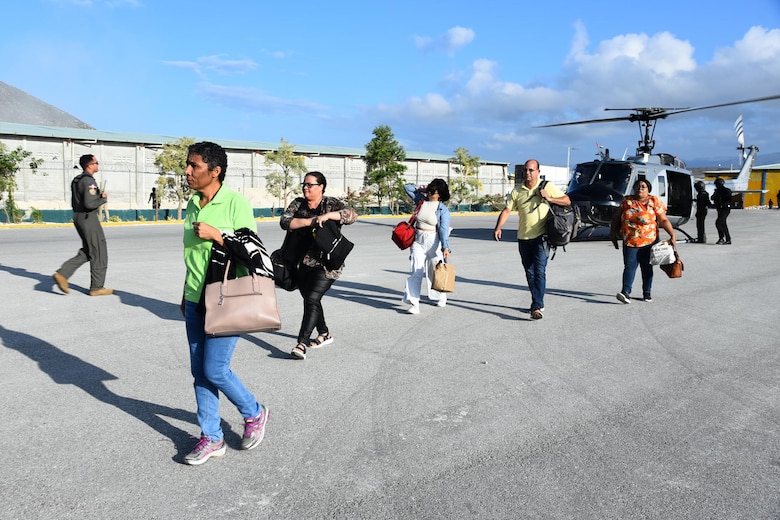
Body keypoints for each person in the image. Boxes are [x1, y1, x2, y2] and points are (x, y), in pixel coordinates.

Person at [181, 141, 269, 465]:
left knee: (215, 369)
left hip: (226, 299)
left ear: (215, 171)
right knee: (200, 372)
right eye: (188, 164)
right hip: (195, 299)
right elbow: (194, 258)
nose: (187, 171)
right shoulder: (193, 203)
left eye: (194, 166)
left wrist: (218, 235)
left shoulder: (235, 203)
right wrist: (185, 294)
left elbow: (255, 253)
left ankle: (254, 412)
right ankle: (212, 437)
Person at [280, 171, 357, 360]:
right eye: (304, 184)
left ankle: (301, 343)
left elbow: (351, 215)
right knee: (311, 300)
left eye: (310, 184)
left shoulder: (331, 204)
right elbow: (285, 221)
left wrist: (329, 215)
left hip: (327, 263)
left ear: (321, 187)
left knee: (312, 298)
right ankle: (324, 333)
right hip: (301, 262)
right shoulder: (298, 203)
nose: (305, 188)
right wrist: (311, 221)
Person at [493, 159, 570, 320]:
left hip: (542, 237)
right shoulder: (517, 190)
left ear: (538, 172)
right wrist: (498, 227)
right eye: (526, 170)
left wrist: (549, 198)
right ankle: (536, 301)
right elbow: (507, 210)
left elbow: (567, 200)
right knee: (529, 272)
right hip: (523, 237)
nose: (527, 173)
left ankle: (537, 306)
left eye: (531, 170)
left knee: (539, 271)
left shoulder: (546, 186)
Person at [53, 154, 113, 296]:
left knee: (88, 250)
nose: (98, 165)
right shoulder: (88, 181)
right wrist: (102, 199)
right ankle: (97, 287)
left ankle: (63, 274)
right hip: (88, 218)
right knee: (98, 250)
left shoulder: (77, 179)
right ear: (90, 165)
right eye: (96, 162)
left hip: (79, 216)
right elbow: (89, 203)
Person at [610, 178, 677, 304]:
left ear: (648, 189)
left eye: (643, 186)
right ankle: (625, 292)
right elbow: (617, 217)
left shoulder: (654, 201)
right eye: (637, 186)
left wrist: (672, 234)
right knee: (629, 267)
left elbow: (663, 220)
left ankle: (647, 292)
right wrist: (612, 234)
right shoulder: (626, 201)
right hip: (630, 240)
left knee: (647, 267)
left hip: (650, 241)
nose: (639, 188)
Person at [401, 179, 452, 314]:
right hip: (417, 240)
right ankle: (414, 304)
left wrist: (445, 247)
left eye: (433, 191)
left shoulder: (443, 210)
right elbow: (407, 187)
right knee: (415, 271)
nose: (429, 193)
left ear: (439, 194)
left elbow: (443, 230)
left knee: (434, 271)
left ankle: (441, 295)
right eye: (429, 189)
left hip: (433, 241)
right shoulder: (421, 200)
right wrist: (421, 189)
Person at [711, 177, 732, 245]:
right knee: (722, 223)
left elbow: (729, 200)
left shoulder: (726, 191)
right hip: (720, 210)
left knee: (719, 222)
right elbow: (712, 198)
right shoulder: (717, 191)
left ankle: (724, 238)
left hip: (725, 209)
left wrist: (723, 204)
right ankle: (724, 238)